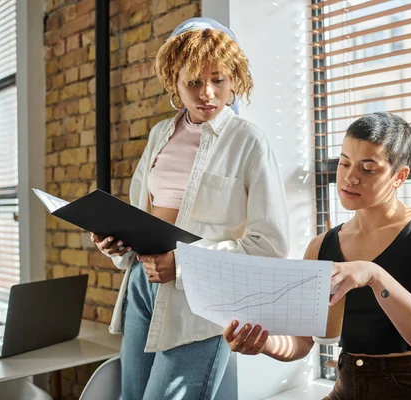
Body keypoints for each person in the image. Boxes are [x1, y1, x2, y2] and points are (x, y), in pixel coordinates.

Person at [90, 18, 289, 400]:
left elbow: (270, 245)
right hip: (141, 286)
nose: (207, 93)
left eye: (218, 80)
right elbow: (138, 213)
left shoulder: (249, 143)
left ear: (235, 80)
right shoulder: (160, 135)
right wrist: (116, 242)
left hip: (201, 304)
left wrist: (182, 263)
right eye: (193, 82)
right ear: (174, 83)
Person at [223, 112, 411, 400]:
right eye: (344, 163)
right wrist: (261, 343)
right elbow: (300, 342)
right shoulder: (321, 247)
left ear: (399, 176)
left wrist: (374, 275)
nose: (350, 178)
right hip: (347, 386)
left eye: (368, 169)